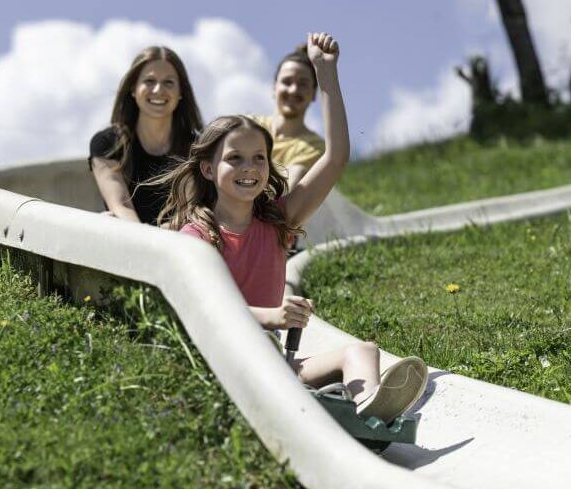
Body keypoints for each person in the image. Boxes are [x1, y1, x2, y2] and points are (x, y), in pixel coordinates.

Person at [155, 33, 427, 423]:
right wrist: (274, 316)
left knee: (362, 351)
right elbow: (209, 309)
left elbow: (335, 158)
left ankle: (369, 411)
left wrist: (327, 72)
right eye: (235, 159)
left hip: (275, 364)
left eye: (259, 158)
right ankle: (344, 407)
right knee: (288, 367)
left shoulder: (278, 222)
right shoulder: (196, 236)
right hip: (220, 365)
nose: (249, 168)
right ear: (209, 169)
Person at [89, 46, 204, 225]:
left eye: (169, 82)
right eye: (149, 81)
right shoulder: (107, 143)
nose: (158, 90)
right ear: (133, 89)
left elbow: (190, 214)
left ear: (181, 92)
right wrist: (149, 246)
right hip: (130, 243)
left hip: (181, 244)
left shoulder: (199, 148)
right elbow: (120, 207)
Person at [250, 44, 325, 192]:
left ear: (314, 93)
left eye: (303, 84)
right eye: (287, 82)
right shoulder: (249, 126)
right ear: (274, 87)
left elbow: (287, 190)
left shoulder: (315, 146)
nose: (293, 90)